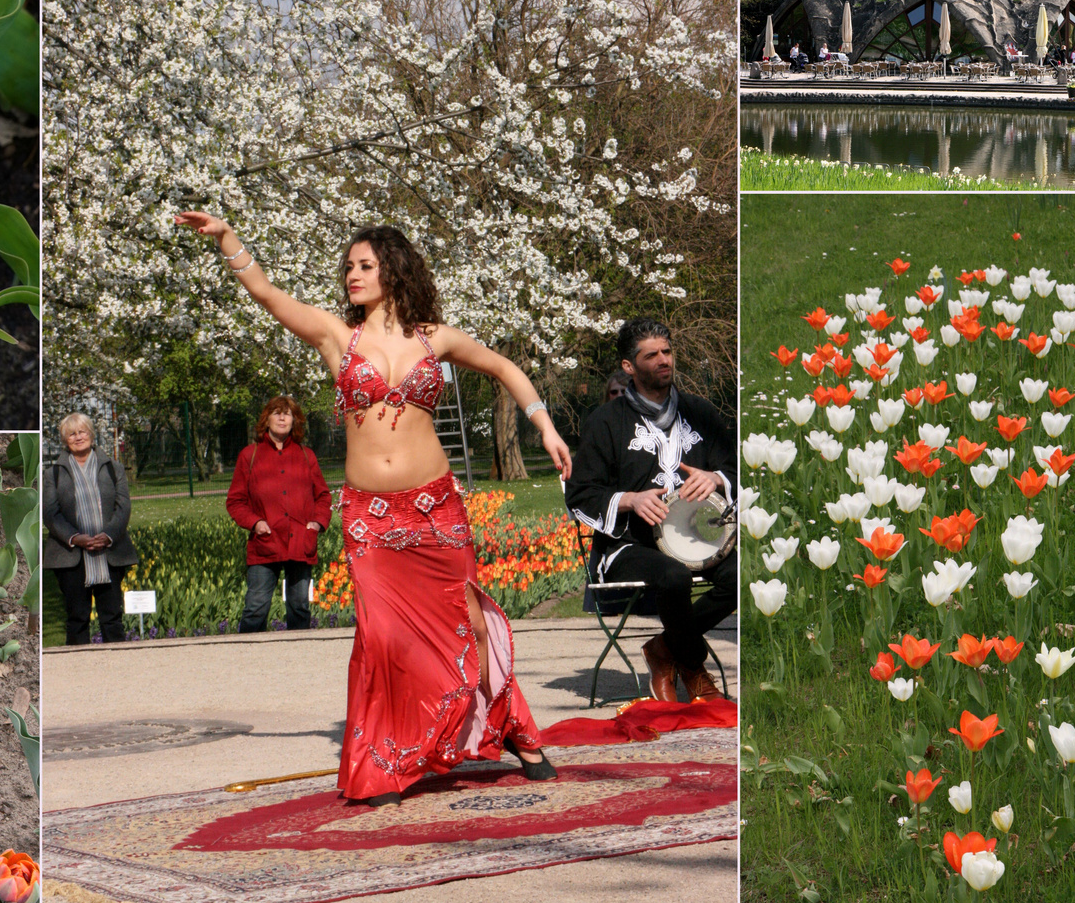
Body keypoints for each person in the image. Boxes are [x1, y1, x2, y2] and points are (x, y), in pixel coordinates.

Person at [175, 212, 573, 806]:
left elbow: (504, 367)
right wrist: (229, 238)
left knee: (468, 623)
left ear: (394, 270)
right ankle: (386, 761)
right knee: (384, 639)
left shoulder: (435, 337)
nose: (353, 275)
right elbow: (265, 293)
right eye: (349, 267)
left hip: (436, 507)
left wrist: (543, 425)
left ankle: (513, 729)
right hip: (371, 515)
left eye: (365, 265)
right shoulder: (339, 336)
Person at [564, 318, 737, 704]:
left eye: (667, 351)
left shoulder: (701, 413)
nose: (664, 360)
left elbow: (734, 468)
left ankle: (663, 649)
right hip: (628, 546)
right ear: (629, 366)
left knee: (741, 574)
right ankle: (693, 665)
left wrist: (716, 479)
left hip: (700, 538)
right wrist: (630, 499)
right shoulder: (605, 422)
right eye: (651, 355)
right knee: (672, 576)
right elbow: (580, 493)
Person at [226, 396, 331, 633]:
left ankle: (297, 661)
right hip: (266, 543)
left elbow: (323, 496)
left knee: (300, 608)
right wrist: (255, 523)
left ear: (295, 421)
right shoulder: (249, 456)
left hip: (300, 543)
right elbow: (235, 501)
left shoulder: (307, 456)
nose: (282, 417)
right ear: (266, 419)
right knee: (255, 608)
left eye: (288, 414)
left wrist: (317, 523)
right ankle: (248, 659)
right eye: (276, 413)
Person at [45, 413, 136, 646]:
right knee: (77, 618)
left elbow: (123, 506)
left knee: (112, 617)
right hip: (71, 556)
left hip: (109, 553)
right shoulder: (52, 473)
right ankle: (78, 674)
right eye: (72, 434)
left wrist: (108, 536)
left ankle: (118, 666)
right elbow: (50, 513)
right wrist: (76, 538)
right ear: (66, 440)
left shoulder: (113, 468)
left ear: (91, 434)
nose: (78, 437)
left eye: (82, 431)